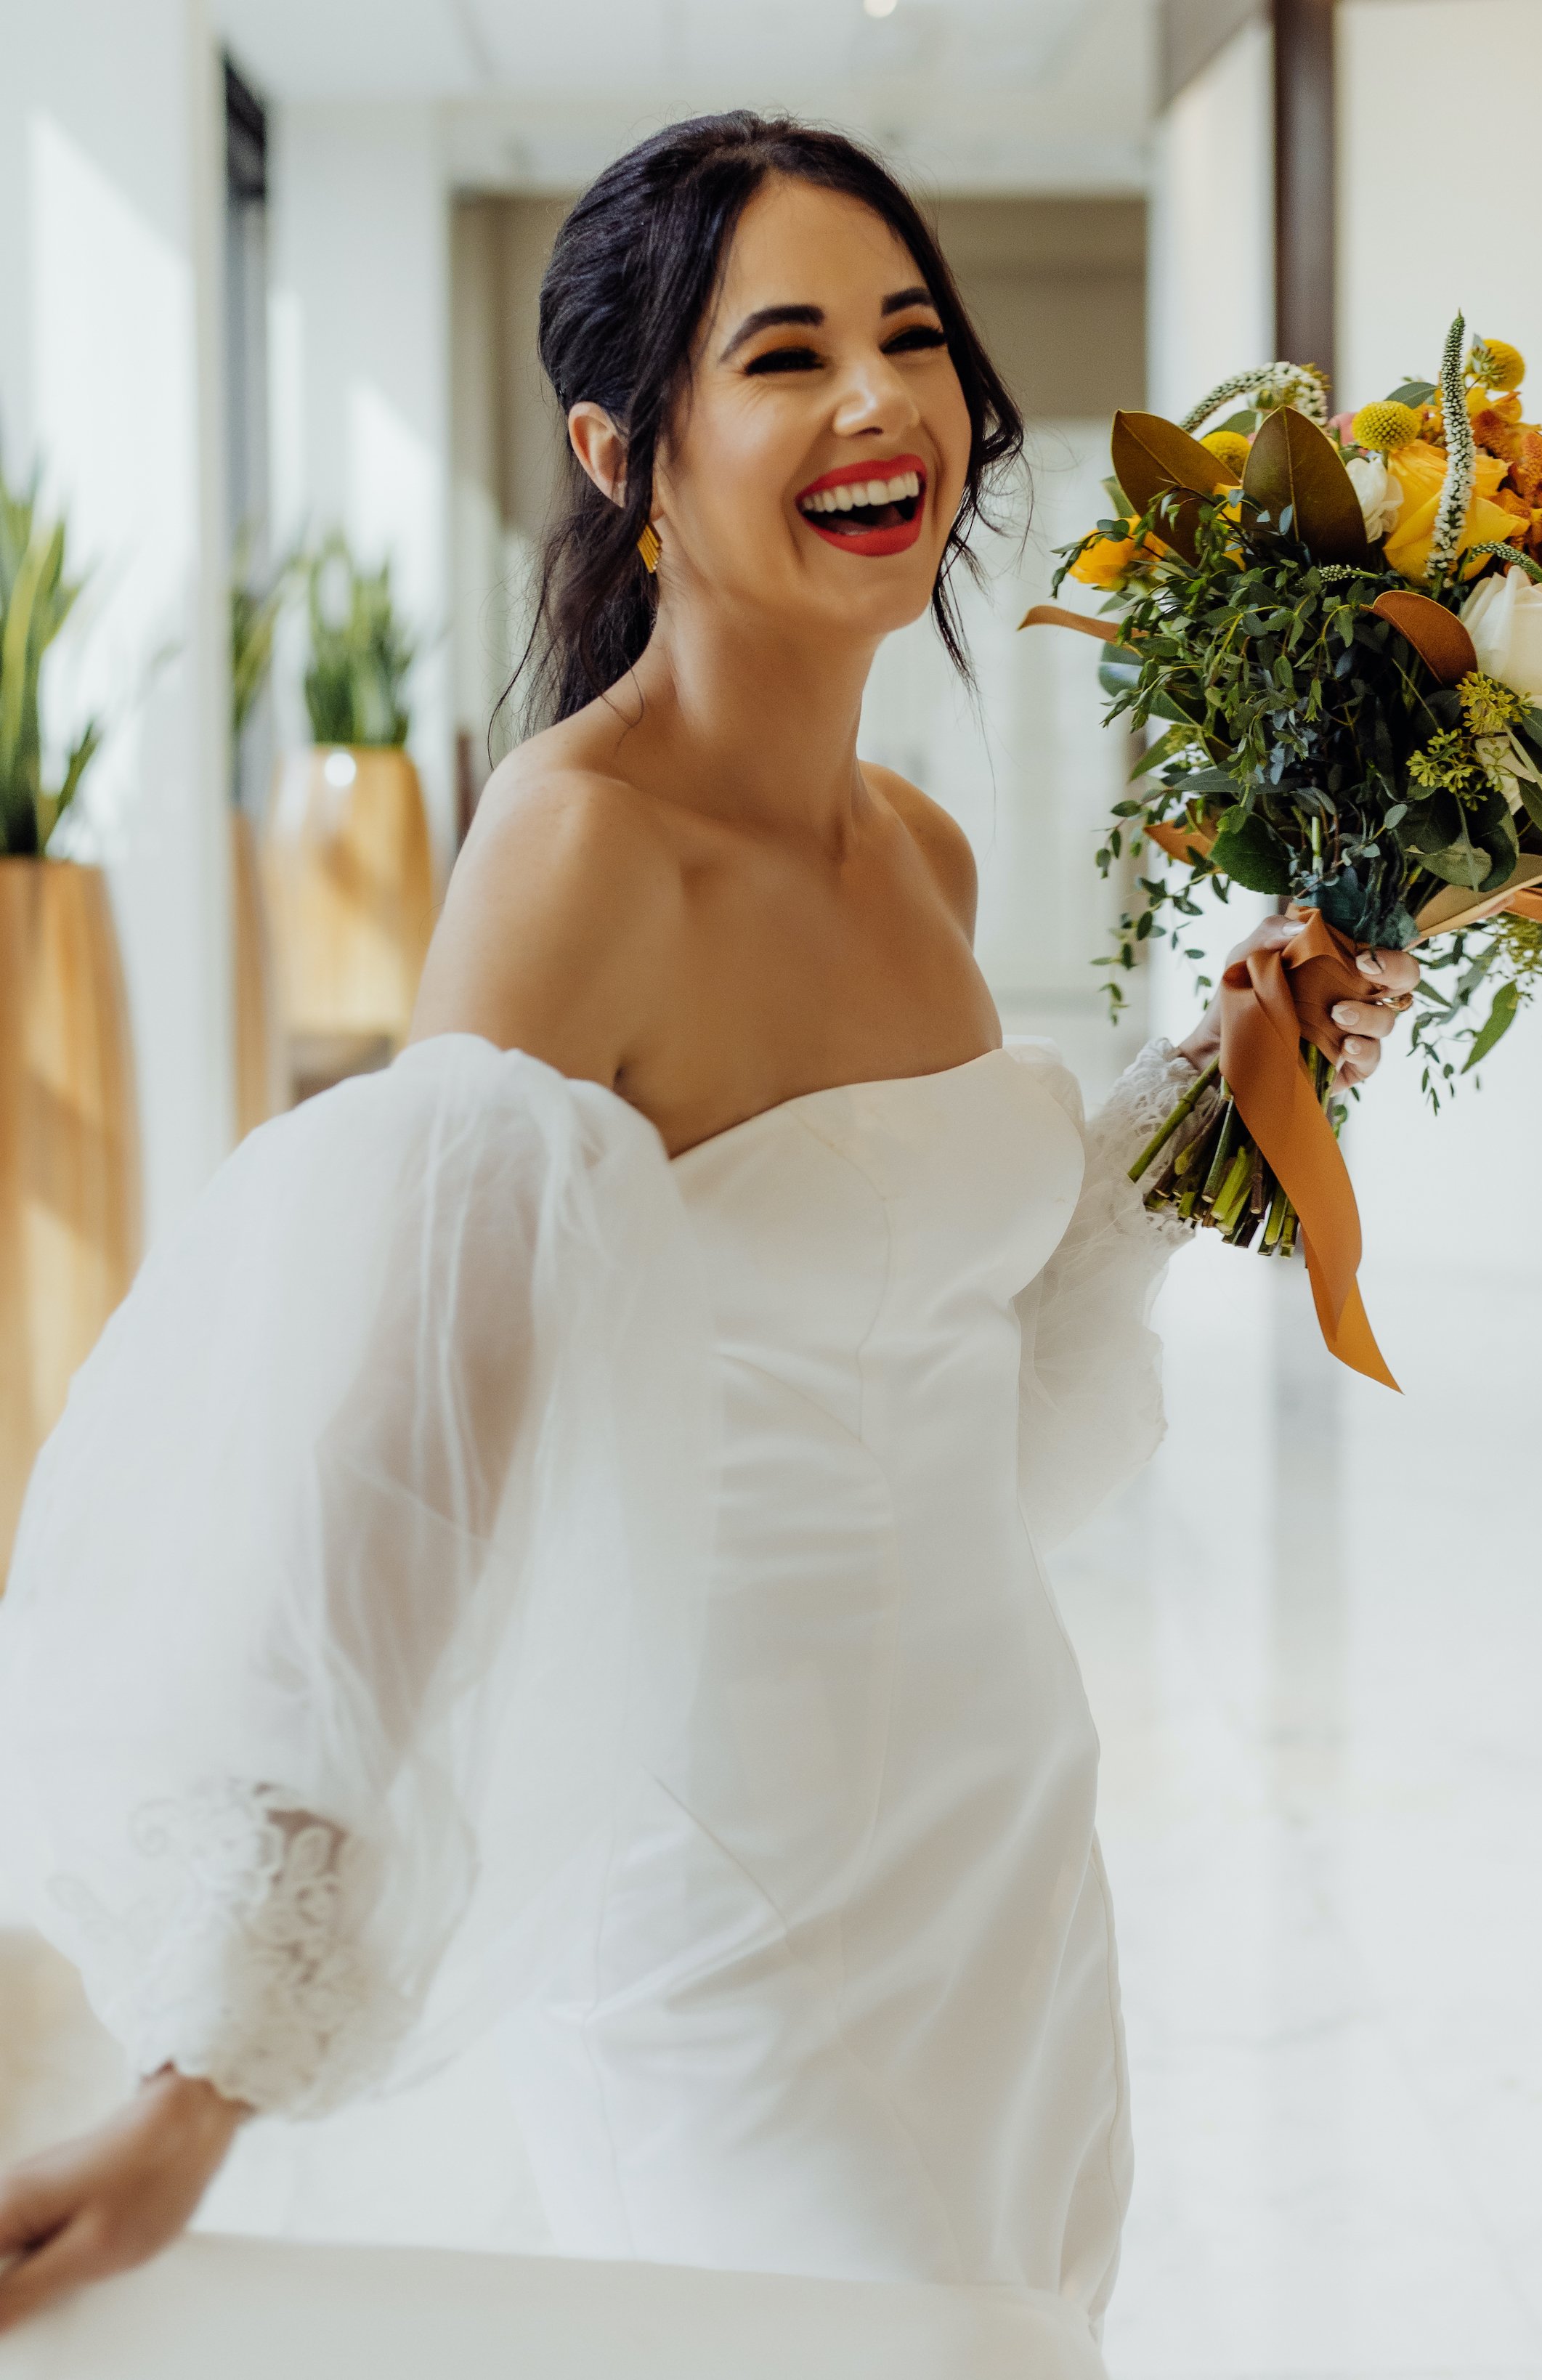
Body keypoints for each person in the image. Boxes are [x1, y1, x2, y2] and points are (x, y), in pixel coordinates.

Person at [0, 113, 1416, 2365]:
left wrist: (1228, 1087)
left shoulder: (927, 856)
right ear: (626, 449)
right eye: (786, 354)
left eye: (911, 335)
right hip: (731, 1919)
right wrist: (203, 2086)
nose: (879, 402)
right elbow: (399, 1471)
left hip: (1002, 1863)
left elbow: (979, 1351)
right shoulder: (576, 858)